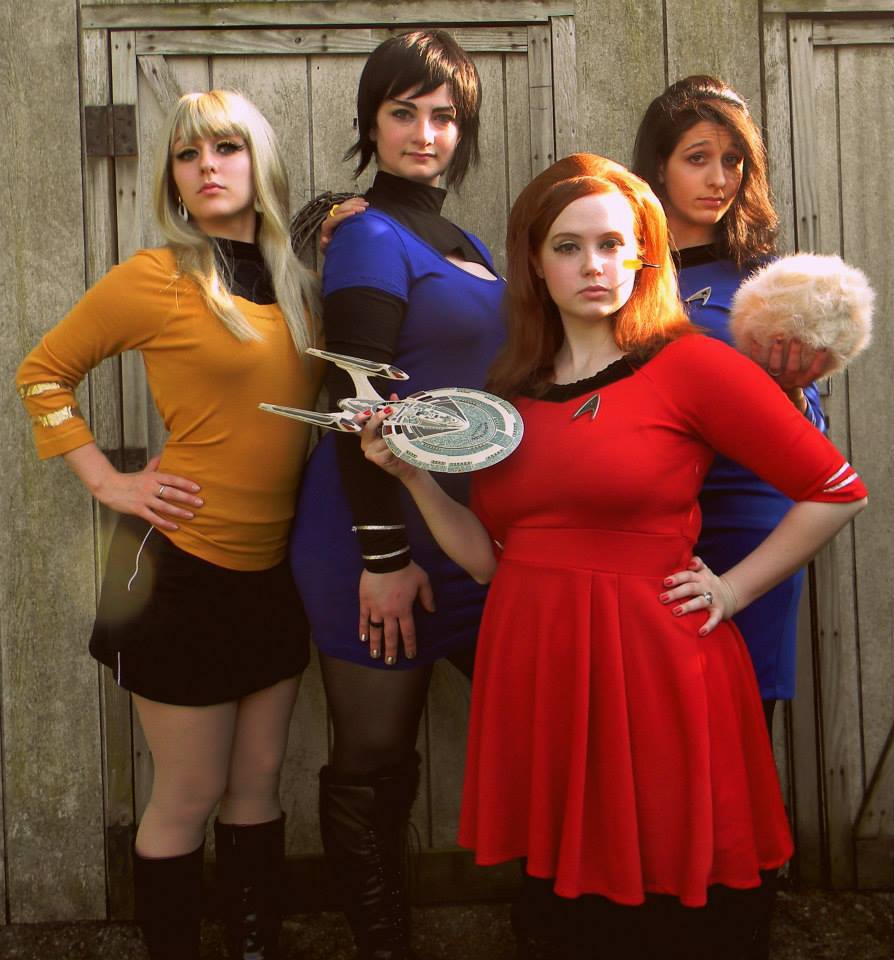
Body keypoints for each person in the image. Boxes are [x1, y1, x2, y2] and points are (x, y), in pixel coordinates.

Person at [359, 153, 867, 959]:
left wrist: (734, 591)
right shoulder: (512, 393)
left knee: (673, 913)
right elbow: (490, 562)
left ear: (643, 256)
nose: (592, 265)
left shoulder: (690, 364)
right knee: (569, 919)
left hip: (656, 671)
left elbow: (836, 489)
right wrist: (414, 478)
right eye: (567, 246)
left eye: (611, 245)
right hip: (542, 672)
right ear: (535, 262)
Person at [16, 90, 322, 960]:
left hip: (273, 571)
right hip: (180, 569)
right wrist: (108, 482)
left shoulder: (300, 285)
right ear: (172, 179)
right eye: (187, 155)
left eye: (225, 147)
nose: (206, 167)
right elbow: (42, 374)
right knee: (188, 793)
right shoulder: (155, 277)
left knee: (258, 784)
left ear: (259, 161)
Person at [288, 30, 505, 959]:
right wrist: (384, 558)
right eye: (403, 112)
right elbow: (354, 403)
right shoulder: (368, 235)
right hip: (372, 537)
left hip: (466, 537)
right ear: (370, 122)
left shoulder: (466, 240)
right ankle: (384, 945)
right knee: (374, 761)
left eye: (443, 116)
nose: (425, 133)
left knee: (544, 723)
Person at [632, 75, 828, 732]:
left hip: (750, 527)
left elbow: (814, 436)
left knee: (741, 726)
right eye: (698, 158)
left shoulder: (771, 281)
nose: (719, 179)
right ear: (658, 165)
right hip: (647, 526)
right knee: (655, 730)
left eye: (734, 160)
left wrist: (792, 387)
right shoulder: (620, 271)